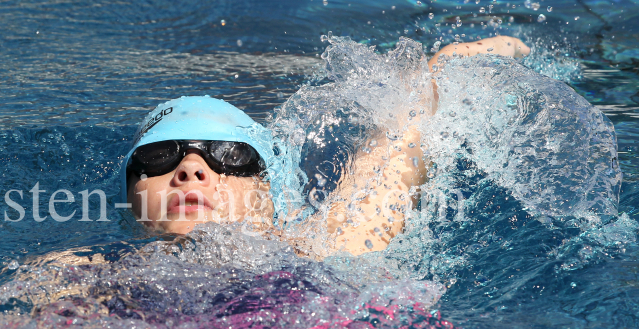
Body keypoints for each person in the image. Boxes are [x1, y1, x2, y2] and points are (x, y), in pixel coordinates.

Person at [123, 35, 531, 256]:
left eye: (232, 157)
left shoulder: (332, 246)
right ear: (129, 198)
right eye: (159, 156)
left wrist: (443, 64)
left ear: (271, 194)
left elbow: (409, 125)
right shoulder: (81, 278)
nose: (192, 170)